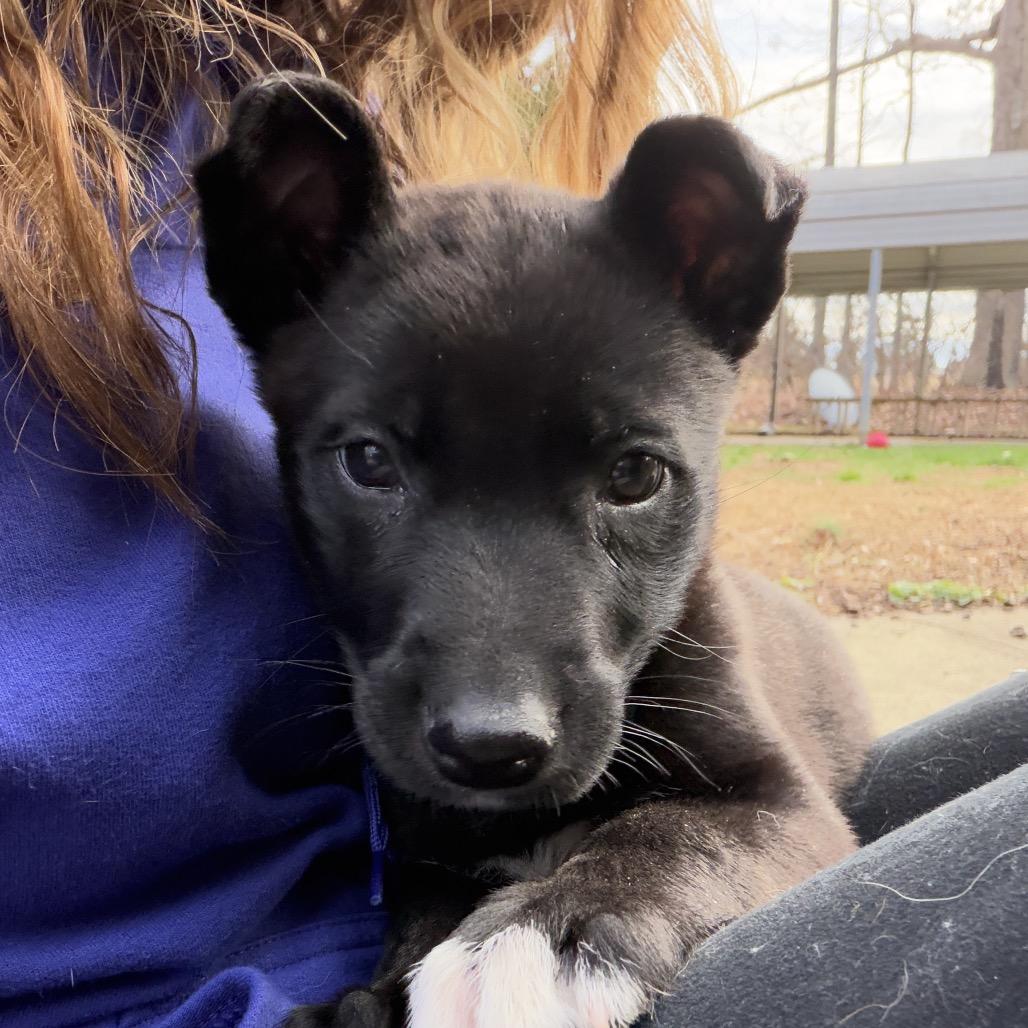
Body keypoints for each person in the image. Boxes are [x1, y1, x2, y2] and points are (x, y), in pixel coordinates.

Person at [1, 4, 1025, 1028]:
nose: (497, 708)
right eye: (373, 463)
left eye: (631, 475)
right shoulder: (283, 263)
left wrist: (617, 892)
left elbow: (779, 817)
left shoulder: (696, 660)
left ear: (720, 274)